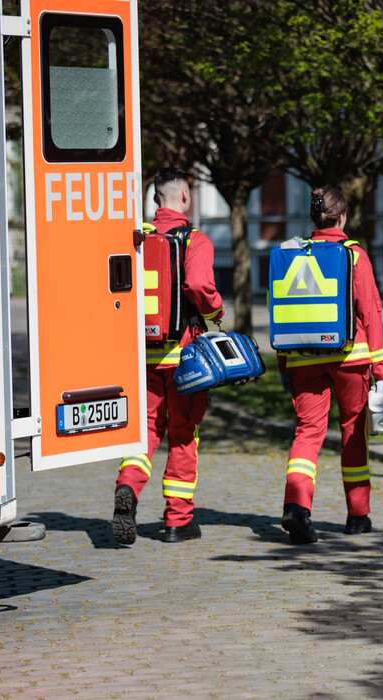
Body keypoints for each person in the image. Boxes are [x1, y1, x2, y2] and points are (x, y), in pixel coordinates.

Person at [111, 167, 225, 544]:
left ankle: (128, 486)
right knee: (182, 433)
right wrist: (215, 314)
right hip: (184, 356)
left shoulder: (136, 239)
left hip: (143, 355)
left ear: (156, 199)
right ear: (186, 197)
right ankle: (178, 521)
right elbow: (197, 284)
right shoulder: (195, 240)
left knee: (143, 431)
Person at [277, 185, 383, 545]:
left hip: (301, 358)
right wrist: (381, 367)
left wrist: (283, 363)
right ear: (342, 217)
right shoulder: (354, 255)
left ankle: (296, 508)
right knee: (352, 433)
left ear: (314, 218)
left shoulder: (291, 254)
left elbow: (281, 313)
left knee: (307, 433)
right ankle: (357, 516)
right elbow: (370, 311)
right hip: (349, 359)